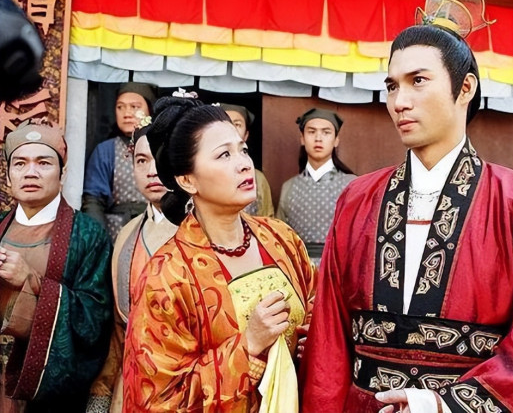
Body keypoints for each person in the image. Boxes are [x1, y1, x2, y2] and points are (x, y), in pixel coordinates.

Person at [300, 0, 513, 413]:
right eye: (392, 86)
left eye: (418, 81)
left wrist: (440, 404)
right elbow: (330, 339)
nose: (400, 102)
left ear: (465, 88)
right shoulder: (357, 200)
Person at [123, 96, 315, 413]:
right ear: (187, 180)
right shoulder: (167, 276)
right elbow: (156, 399)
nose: (244, 163)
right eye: (224, 154)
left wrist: (312, 342)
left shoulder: (281, 238)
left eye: (243, 150)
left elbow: (315, 307)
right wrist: (249, 344)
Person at [0, 120, 113, 412]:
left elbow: (96, 322)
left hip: (45, 394)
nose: (31, 172)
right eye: (20, 163)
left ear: (62, 174)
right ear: (8, 176)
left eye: (44, 163)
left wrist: (32, 280)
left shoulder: (87, 234)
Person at [86, 117, 178, 413]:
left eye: (162, 157)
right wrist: (100, 399)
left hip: (193, 384)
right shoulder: (127, 234)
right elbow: (117, 333)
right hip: (132, 384)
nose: (152, 170)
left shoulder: (208, 229)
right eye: (141, 160)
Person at [277, 108, 355, 265]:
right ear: (302, 138)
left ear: (336, 140)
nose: (318, 138)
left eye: (326, 132)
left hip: (339, 268)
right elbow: (279, 237)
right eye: (312, 132)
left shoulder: (352, 185)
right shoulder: (289, 187)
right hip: (299, 269)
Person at [82, 82, 156, 241]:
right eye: (120, 107)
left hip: (156, 228)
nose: (127, 113)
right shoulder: (106, 150)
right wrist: (100, 241)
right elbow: (93, 201)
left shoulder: (163, 147)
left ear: (150, 110)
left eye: (134, 107)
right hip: (116, 231)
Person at [218, 103, 274, 217]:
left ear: (246, 135)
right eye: (226, 123)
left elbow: (268, 217)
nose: (231, 129)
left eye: (237, 124)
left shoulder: (258, 178)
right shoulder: (208, 172)